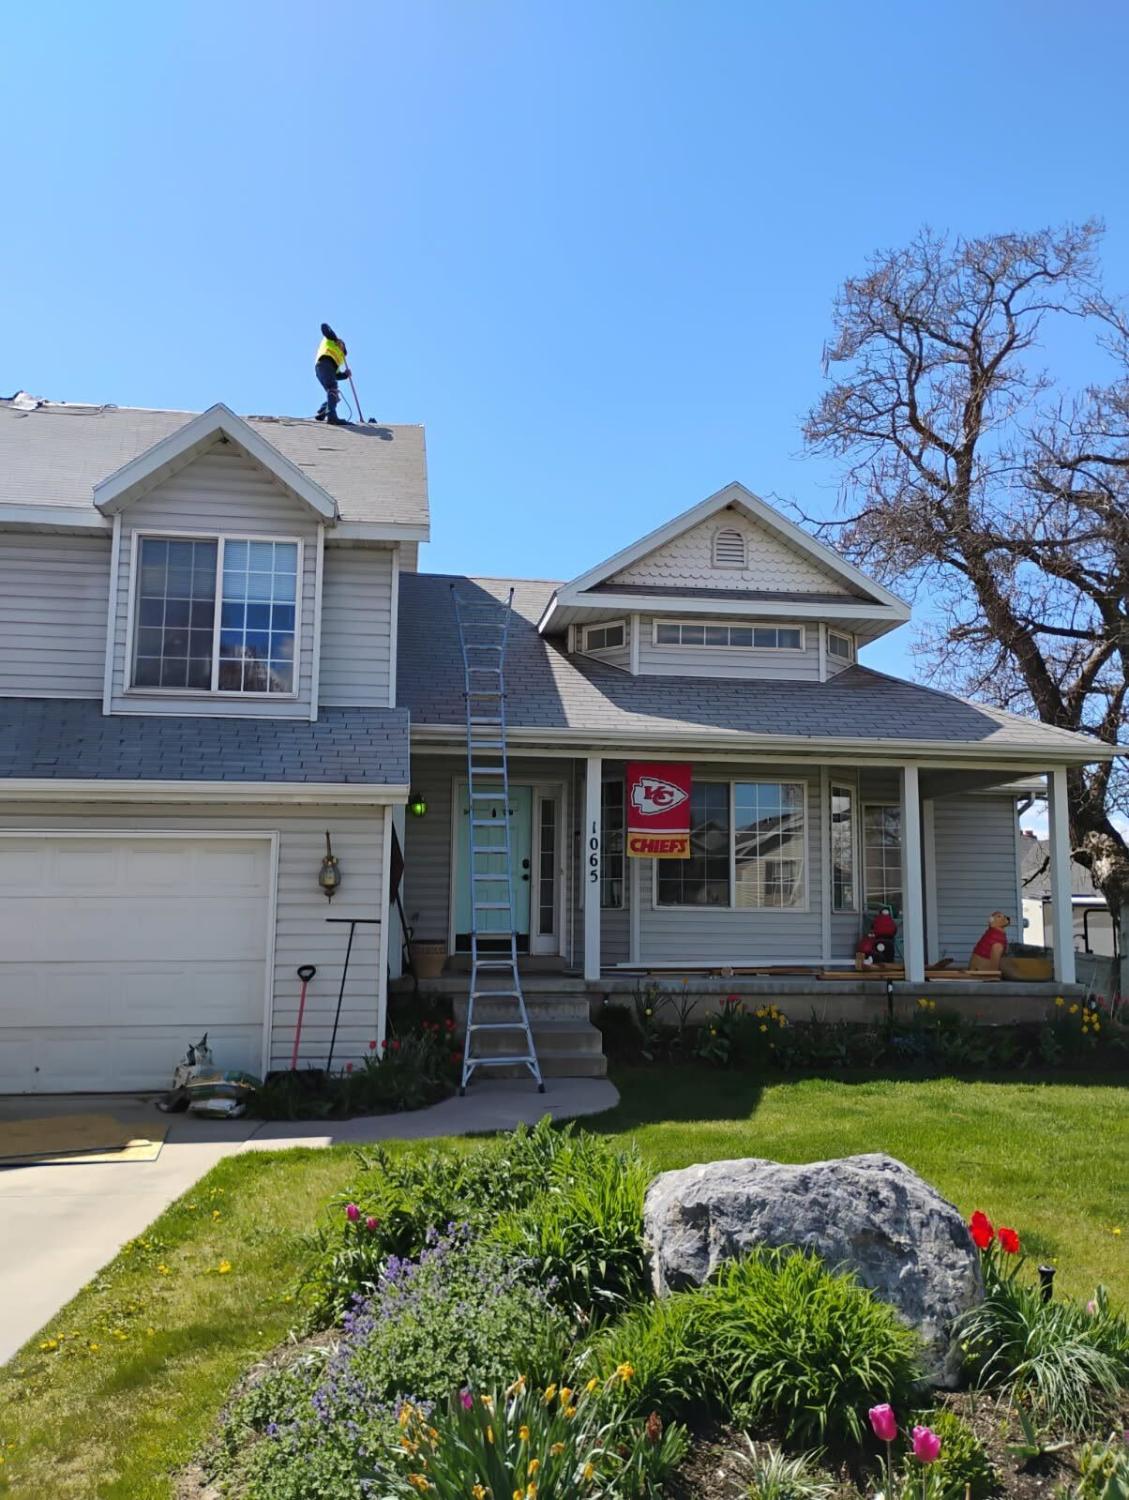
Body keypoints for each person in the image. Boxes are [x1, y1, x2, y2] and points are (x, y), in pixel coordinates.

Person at [314, 323, 351, 424]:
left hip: (324, 369)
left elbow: (336, 375)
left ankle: (322, 412)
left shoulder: (340, 357)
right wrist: (335, 339)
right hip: (324, 363)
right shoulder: (331, 340)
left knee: (335, 397)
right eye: (342, 346)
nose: (342, 349)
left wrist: (345, 374)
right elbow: (324, 326)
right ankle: (332, 417)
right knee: (333, 388)